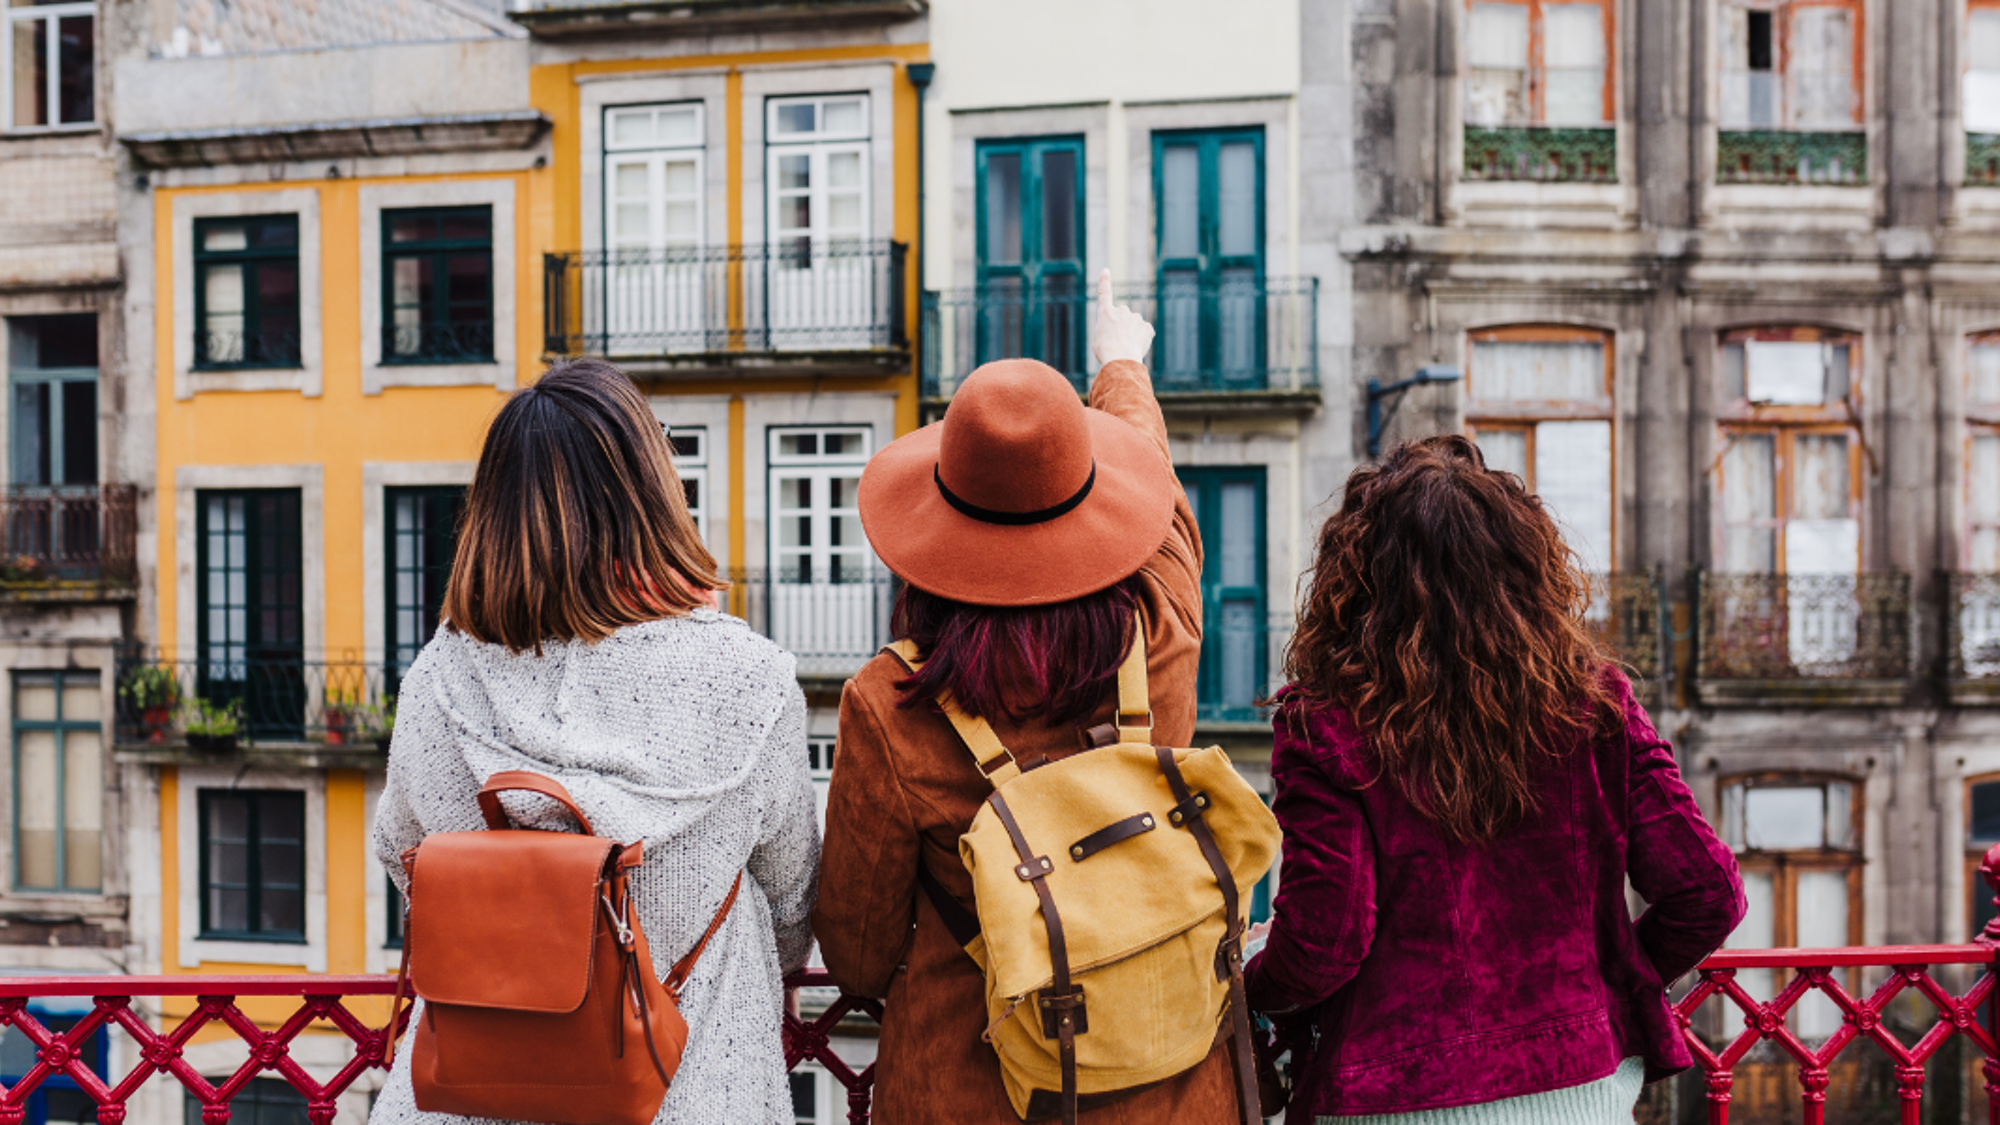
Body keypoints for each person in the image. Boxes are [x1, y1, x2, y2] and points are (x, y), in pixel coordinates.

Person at [812, 272, 1241, 1122]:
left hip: (968, 1090)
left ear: (935, 528)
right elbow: (1160, 498)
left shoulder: (890, 701)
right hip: (1172, 1090)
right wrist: (1121, 364)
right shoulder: (1164, 627)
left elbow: (858, 957)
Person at [368, 358, 820, 1125]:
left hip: (465, 1099)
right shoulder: (751, 681)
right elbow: (790, 905)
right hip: (689, 1092)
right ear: (653, 491)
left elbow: (403, 857)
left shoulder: (439, 674)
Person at [1244, 435, 1746, 1123]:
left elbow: (1326, 940)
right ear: (1526, 573)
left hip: (1390, 1096)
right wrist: (1603, 984)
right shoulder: (1596, 705)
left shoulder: (1327, 727)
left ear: (1356, 583)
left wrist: (1253, 980)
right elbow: (1708, 891)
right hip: (1583, 1090)